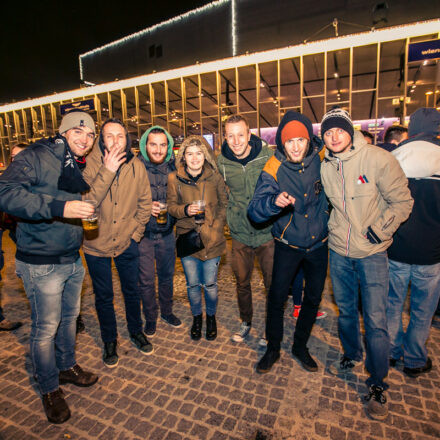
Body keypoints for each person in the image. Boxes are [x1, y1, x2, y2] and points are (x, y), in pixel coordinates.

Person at [0, 111, 99, 424]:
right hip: (40, 262)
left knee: (69, 320)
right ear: (64, 132)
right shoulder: (37, 155)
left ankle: (67, 366)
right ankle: (48, 387)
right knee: (45, 328)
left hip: (71, 258)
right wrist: (61, 207)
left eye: (90, 135)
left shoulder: (74, 163)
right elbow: (6, 193)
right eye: (78, 132)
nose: (85, 139)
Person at [320, 107, 413, 420]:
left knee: (375, 320)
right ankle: (351, 354)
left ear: (351, 131)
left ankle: (378, 383)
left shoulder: (377, 159)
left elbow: (403, 202)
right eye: (328, 132)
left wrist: (379, 230)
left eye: (339, 130)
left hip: (371, 252)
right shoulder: (326, 166)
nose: (334, 137)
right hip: (339, 251)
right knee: (345, 311)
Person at [248, 111, 329, 373]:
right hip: (288, 245)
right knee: (277, 297)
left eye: (300, 140)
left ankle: (300, 346)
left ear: (309, 141)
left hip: (318, 244)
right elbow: (255, 210)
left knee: (313, 297)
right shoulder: (273, 167)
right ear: (282, 143)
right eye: (289, 141)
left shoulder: (322, 156)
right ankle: (273, 348)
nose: (295, 146)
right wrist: (273, 203)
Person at [82, 118, 152, 368]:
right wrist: (107, 170)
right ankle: (109, 340)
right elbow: (86, 203)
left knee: (131, 291)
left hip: (127, 242)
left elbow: (145, 203)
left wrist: (136, 234)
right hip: (95, 243)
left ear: (127, 139)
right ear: (101, 140)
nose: (114, 141)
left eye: (119, 136)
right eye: (109, 136)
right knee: (103, 295)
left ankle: (136, 331)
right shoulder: (89, 164)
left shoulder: (136, 166)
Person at [387, 108, 440, 378]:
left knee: (393, 304)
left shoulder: (395, 158)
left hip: (396, 248)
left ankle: (391, 351)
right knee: (422, 311)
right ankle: (415, 359)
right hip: (431, 254)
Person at [217, 115, 274, 343]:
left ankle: (271, 328)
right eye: (230, 136)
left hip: (267, 233)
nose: (236, 141)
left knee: (272, 283)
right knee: (242, 282)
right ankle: (246, 321)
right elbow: (219, 193)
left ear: (249, 135)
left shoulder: (267, 156)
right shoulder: (221, 162)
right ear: (225, 137)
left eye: (241, 134)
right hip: (240, 234)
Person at [168, 135, 227, 341]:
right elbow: (171, 207)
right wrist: (185, 209)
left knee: (210, 284)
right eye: (190, 153)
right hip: (188, 239)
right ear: (183, 156)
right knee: (193, 285)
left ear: (205, 155)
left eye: (199, 153)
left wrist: (217, 226)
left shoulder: (215, 177)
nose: (194, 158)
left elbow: (223, 205)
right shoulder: (174, 178)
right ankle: (197, 318)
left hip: (212, 239)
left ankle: (211, 318)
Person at [137, 126, 181, 337]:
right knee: (145, 280)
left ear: (169, 146)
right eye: (153, 144)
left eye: (163, 145)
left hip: (167, 234)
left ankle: (167, 312)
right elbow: (124, 201)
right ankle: (151, 317)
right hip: (143, 236)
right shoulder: (134, 169)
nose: (158, 149)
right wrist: (145, 208)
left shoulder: (175, 169)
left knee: (166, 277)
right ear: (145, 145)